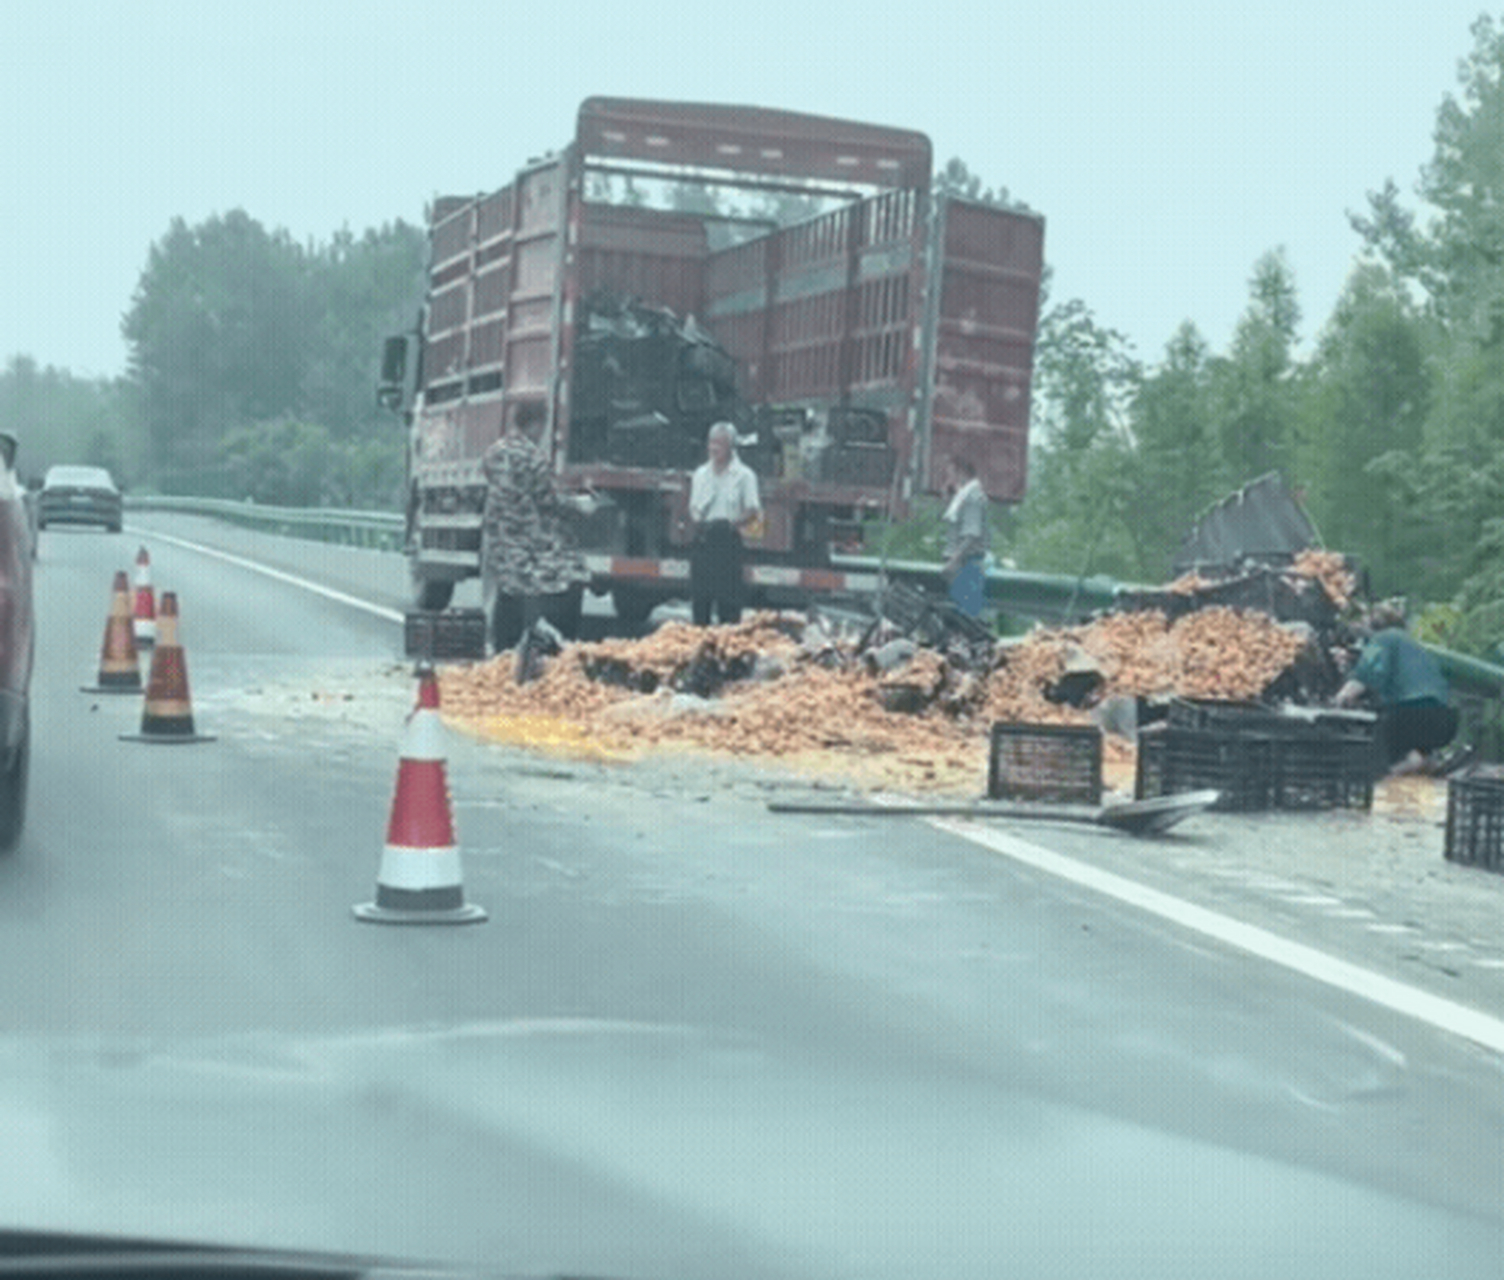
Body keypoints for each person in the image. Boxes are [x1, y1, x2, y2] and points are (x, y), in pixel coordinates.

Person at [479, 404, 592, 652]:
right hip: (525, 535)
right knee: (553, 580)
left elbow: (489, 479)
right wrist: (579, 504)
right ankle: (541, 644)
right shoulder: (534, 456)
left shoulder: (494, 451)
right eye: (542, 425)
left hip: (498, 535)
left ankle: (500, 647)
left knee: (506, 589)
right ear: (535, 424)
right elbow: (547, 500)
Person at [1334, 602, 1464, 775]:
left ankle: (1395, 770)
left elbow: (1365, 675)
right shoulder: (1414, 646)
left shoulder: (1382, 639)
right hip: (1443, 719)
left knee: (1379, 762)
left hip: (1409, 718)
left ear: (1373, 624)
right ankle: (1423, 760)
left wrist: (1342, 697)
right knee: (1417, 761)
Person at [688, 421, 761, 626]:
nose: (714, 448)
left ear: (731, 447)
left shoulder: (745, 475)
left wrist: (734, 524)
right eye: (712, 443)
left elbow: (753, 508)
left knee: (728, 608)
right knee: (700, 604)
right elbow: (693, 507)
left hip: (728, 542)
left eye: (720, 444)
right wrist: (699, 519)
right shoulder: (701, 474)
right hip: (704, 542)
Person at [941, 455, 988, 618]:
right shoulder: (962, 496)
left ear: (961, 472)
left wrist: (954, 559)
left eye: (951, 472)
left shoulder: (973, 496)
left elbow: (971, 534)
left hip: (966, 564)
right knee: (956, 612)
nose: (948, 477)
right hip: (961, 564)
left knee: (965, 615)